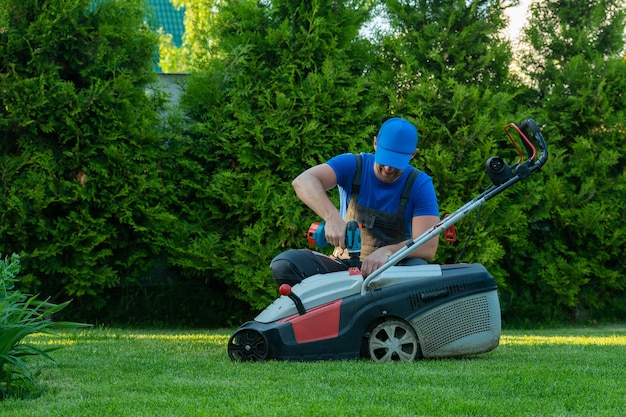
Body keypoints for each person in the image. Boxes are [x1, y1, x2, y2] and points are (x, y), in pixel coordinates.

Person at [270, 117, 440, 286]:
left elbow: (428, 246)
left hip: (391, 271)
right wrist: (332, 217)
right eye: (385, 159)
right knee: (285, 264)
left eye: (396, 163)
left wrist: (388, 251)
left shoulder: (419, 184)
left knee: (419, 270)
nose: (388, 168)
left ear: (413, 154)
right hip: (343, 265)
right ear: (375, 144)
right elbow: (303, 181)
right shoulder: (353, 165)